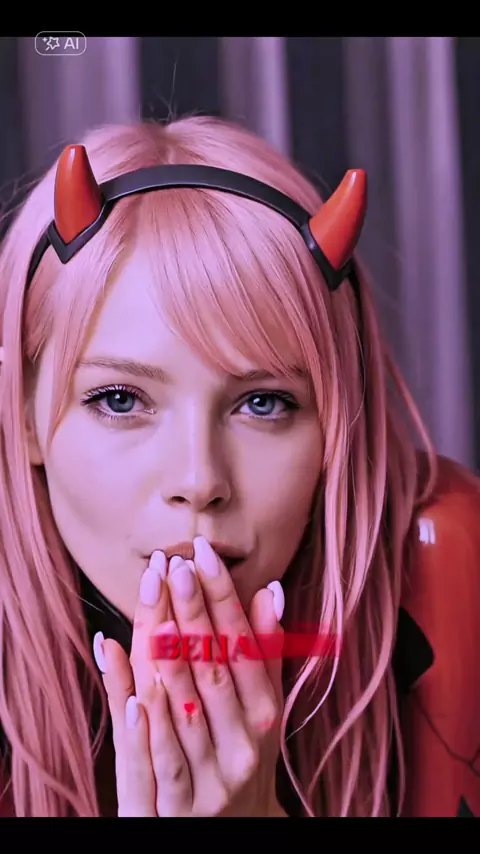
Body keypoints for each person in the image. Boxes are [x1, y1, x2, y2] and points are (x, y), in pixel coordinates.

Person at [0, 115, 479, 819]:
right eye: (120, 399)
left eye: (263, 403)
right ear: (20, 411)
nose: (199, 481)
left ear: (336, 423)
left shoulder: (441, 565)